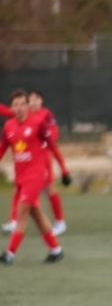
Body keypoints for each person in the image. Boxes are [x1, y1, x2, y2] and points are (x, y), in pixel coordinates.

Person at [1, 89, 65, 265]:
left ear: (28, 106)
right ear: (12, 108)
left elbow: (53, 146)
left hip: (36, 176)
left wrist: (64, 171)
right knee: (36, 214)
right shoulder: (8, 127)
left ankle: (9, 254)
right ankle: (56, 249)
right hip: (20, 177)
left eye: (23, 104)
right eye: (16, 105)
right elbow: (2, 149)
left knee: (21, 214)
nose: (20, 108)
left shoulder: (38, 123)